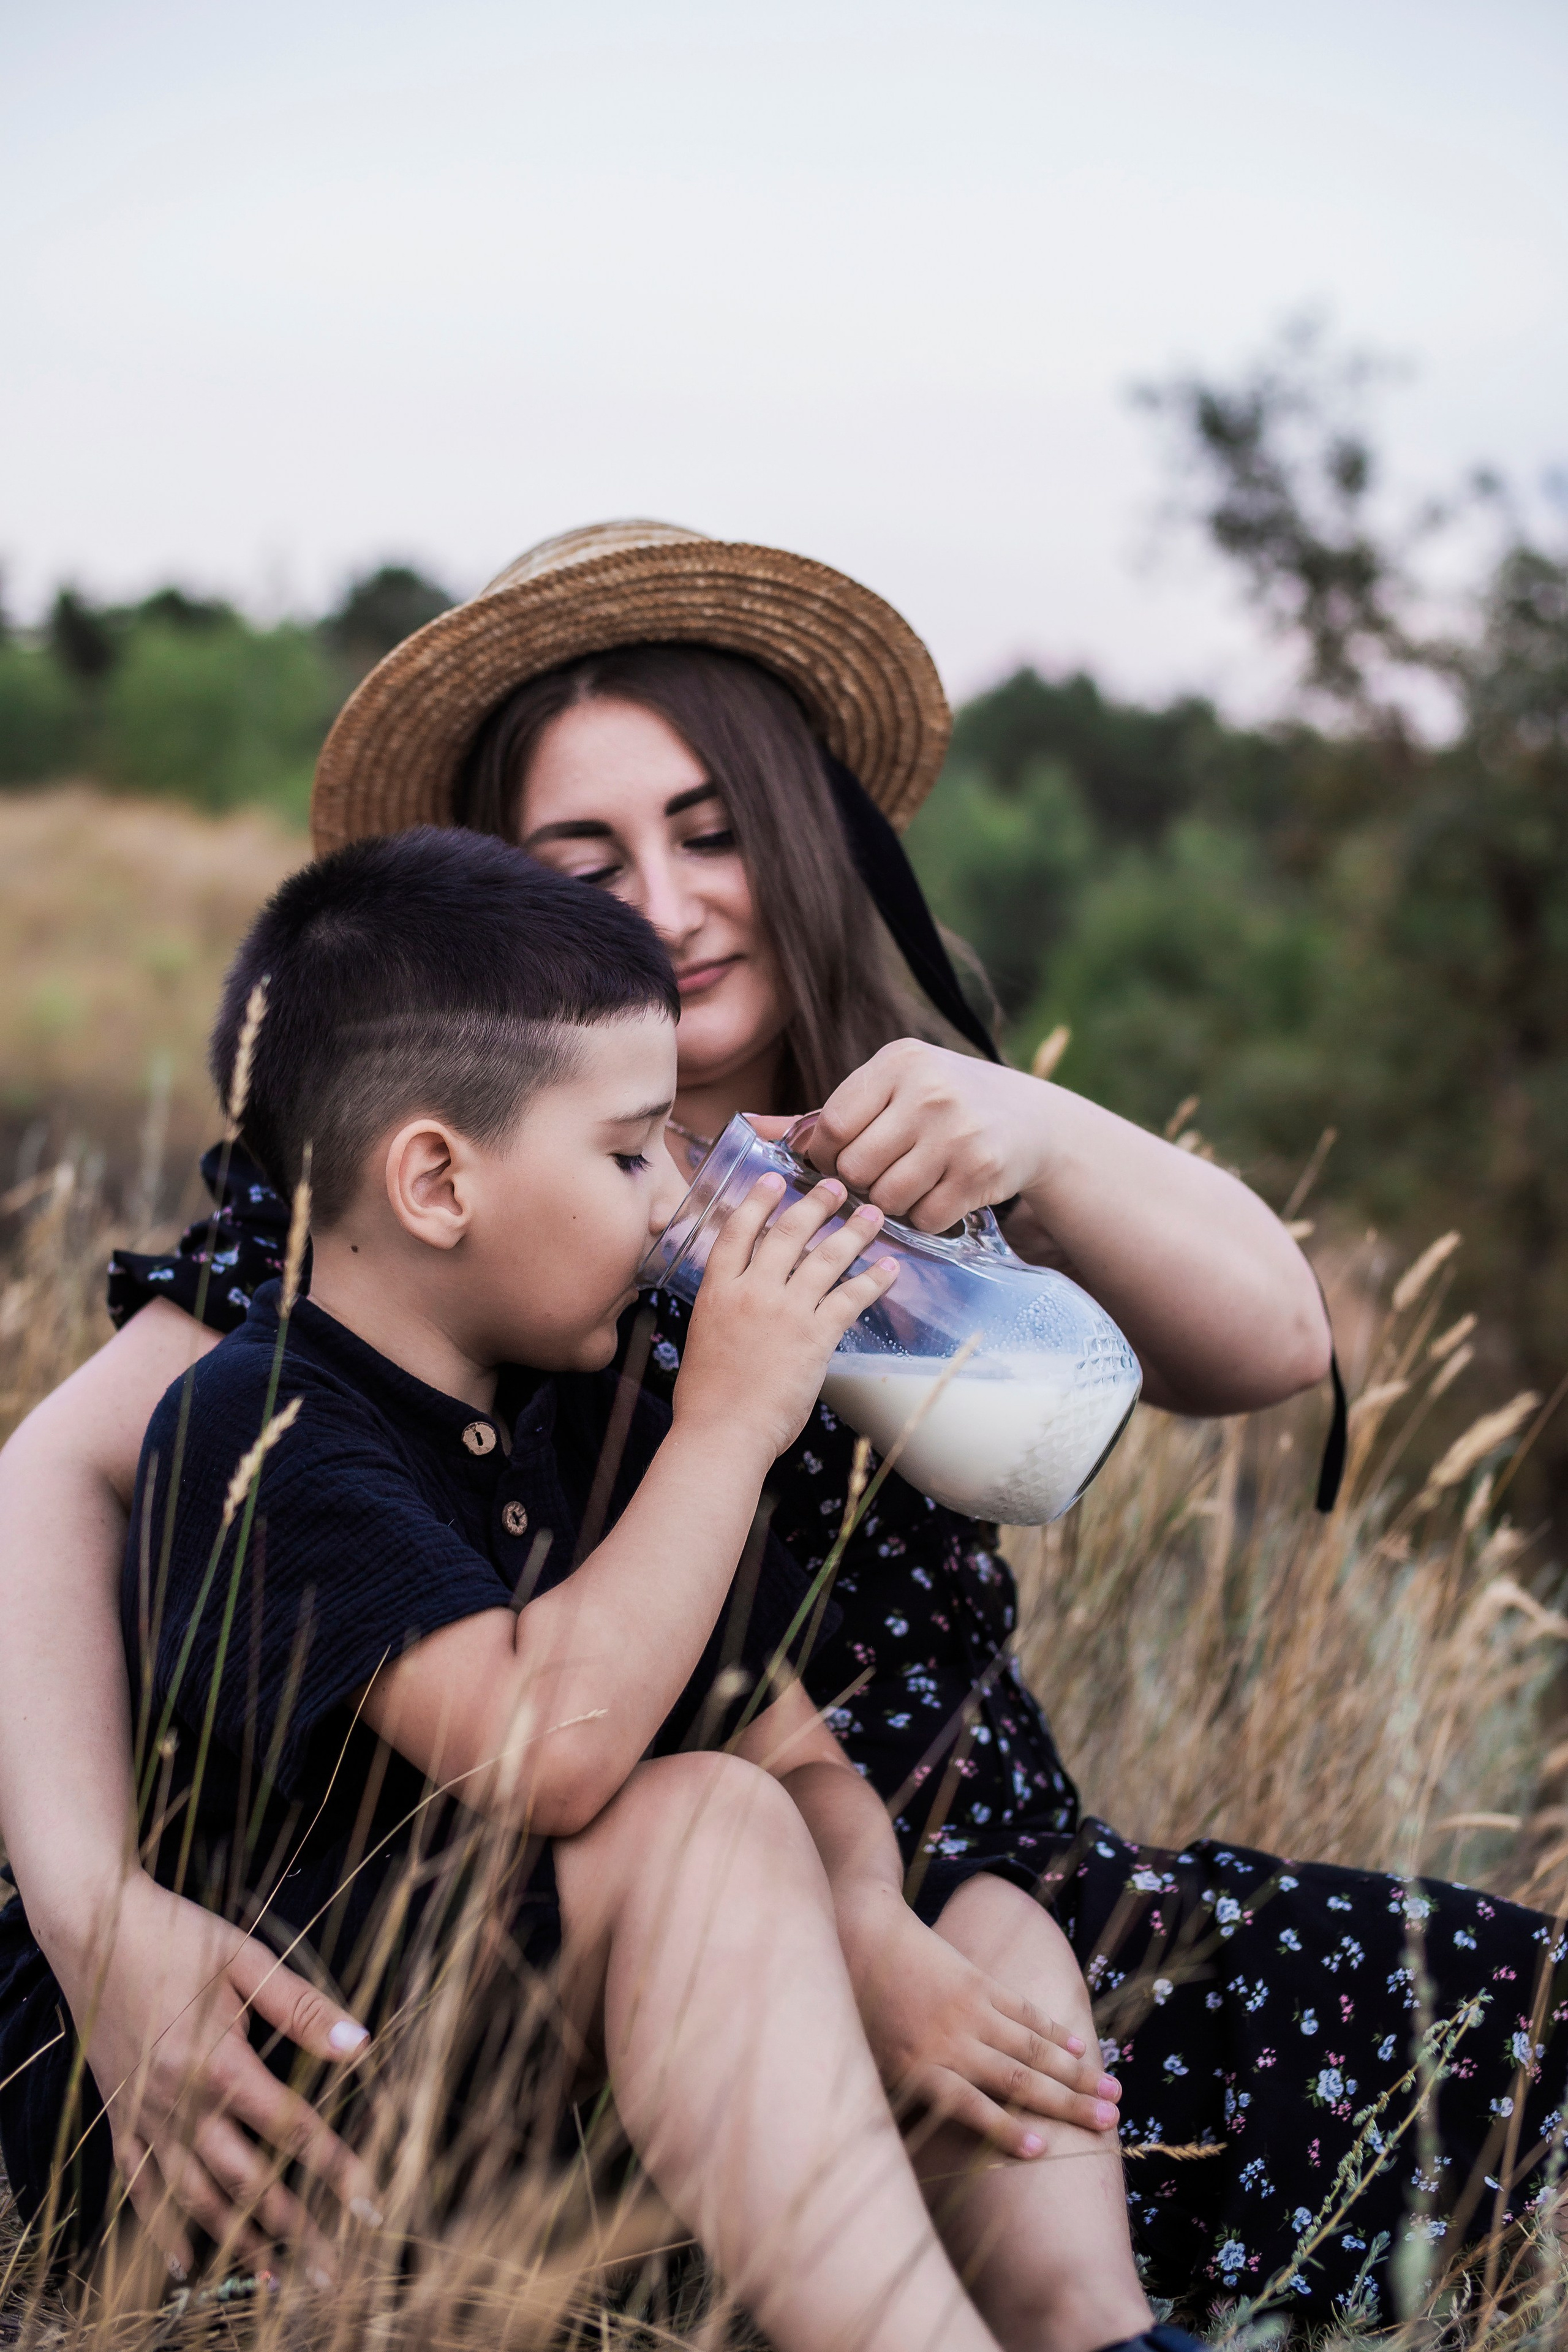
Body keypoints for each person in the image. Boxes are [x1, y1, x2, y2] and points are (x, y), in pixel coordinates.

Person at [2, 521, 1564, 2328]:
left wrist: (1032, 1137)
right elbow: (60, 1469)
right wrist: (92, 1910)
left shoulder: (909, 1138)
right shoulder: (410, 1242)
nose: (664, 900)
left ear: (803, 837)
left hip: (953, 1877)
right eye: (586, 855)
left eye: (712, 829)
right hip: (579, 1915)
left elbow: (1280, 1339)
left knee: (1482, 2038)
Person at [1, 826, 1188, 2352]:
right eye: (629, 1152)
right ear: (436, 1180)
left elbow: (799, 1756)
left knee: (977, 1917)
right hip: (254, 2115)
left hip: (501, 2065)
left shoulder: (590, 1406)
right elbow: (544, 1752)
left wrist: (872, 1924)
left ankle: (1090, 2328)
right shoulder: (264, 1422)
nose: (666, 1202)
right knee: (690, 1821)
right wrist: (734, 1423)